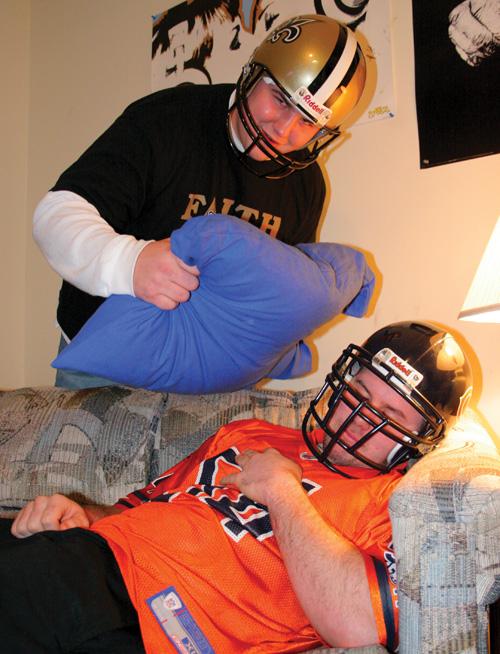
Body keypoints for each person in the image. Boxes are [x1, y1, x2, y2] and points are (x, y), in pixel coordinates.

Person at [0, 320, 473, 653]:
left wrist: (284, 493)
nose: (358, 416)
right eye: (359, 394)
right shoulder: (248, 433)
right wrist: (81, 516)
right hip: (90, 558)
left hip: (159, 622)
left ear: (418, 440)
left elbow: (355, 624)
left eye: (390, 414)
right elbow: (137, 507)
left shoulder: (391, 504)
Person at [32, 13, 367, 387]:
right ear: (253, 72)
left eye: (307, 122)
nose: (283, 129)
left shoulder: (306, 184)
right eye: (279, 100)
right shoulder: (168, 119)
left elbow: (281, 296)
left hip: (210, 380)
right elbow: (56, 215)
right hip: (105, 361)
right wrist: (130, 262)